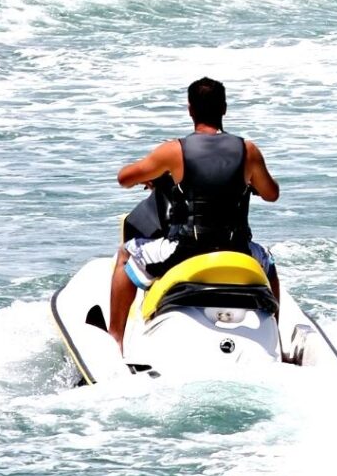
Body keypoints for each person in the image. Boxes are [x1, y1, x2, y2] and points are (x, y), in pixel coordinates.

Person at [108, 77, 280, 351]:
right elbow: (271, 193)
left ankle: (114, 340)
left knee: (125, 254)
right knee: (268, 262)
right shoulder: (248, 151)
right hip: (237, 249)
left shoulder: (174, 150)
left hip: (186, 250)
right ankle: (277, 341)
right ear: (224, 108)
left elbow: (124, 178)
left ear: (190, 110)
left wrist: (157, 172)